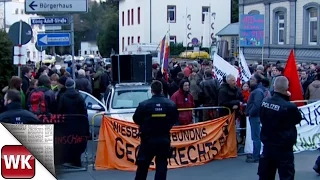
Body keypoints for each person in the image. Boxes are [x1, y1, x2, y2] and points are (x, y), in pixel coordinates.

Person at [258, 76, 302, 180]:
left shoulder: (265, 102)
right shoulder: (289, 106)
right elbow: (297, 119)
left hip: (268, 145)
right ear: (287, 88)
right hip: (284, 147)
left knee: (265, 176)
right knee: (286, 176)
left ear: (274, 86)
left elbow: (262, 117)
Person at [133, 80, 179, 180]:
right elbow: (174, 118)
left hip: (148, 140)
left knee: (142, 167)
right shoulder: (170, 104)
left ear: (151, 91)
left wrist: (146, 125)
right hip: (163, 139)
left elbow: (136, 119)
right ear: (162, 90)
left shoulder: (144, 105)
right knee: (161, 167)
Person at [246, 74, 265, 163]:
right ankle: (256, 154)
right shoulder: (257, 90)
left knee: (255, 137)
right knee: (256, 136)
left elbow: (257, 105)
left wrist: (250, 113)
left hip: (255, 116)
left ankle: (256, 156)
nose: (250, 81)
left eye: (252, 79)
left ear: (257, 81)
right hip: (255, 115)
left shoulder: (257, 91)